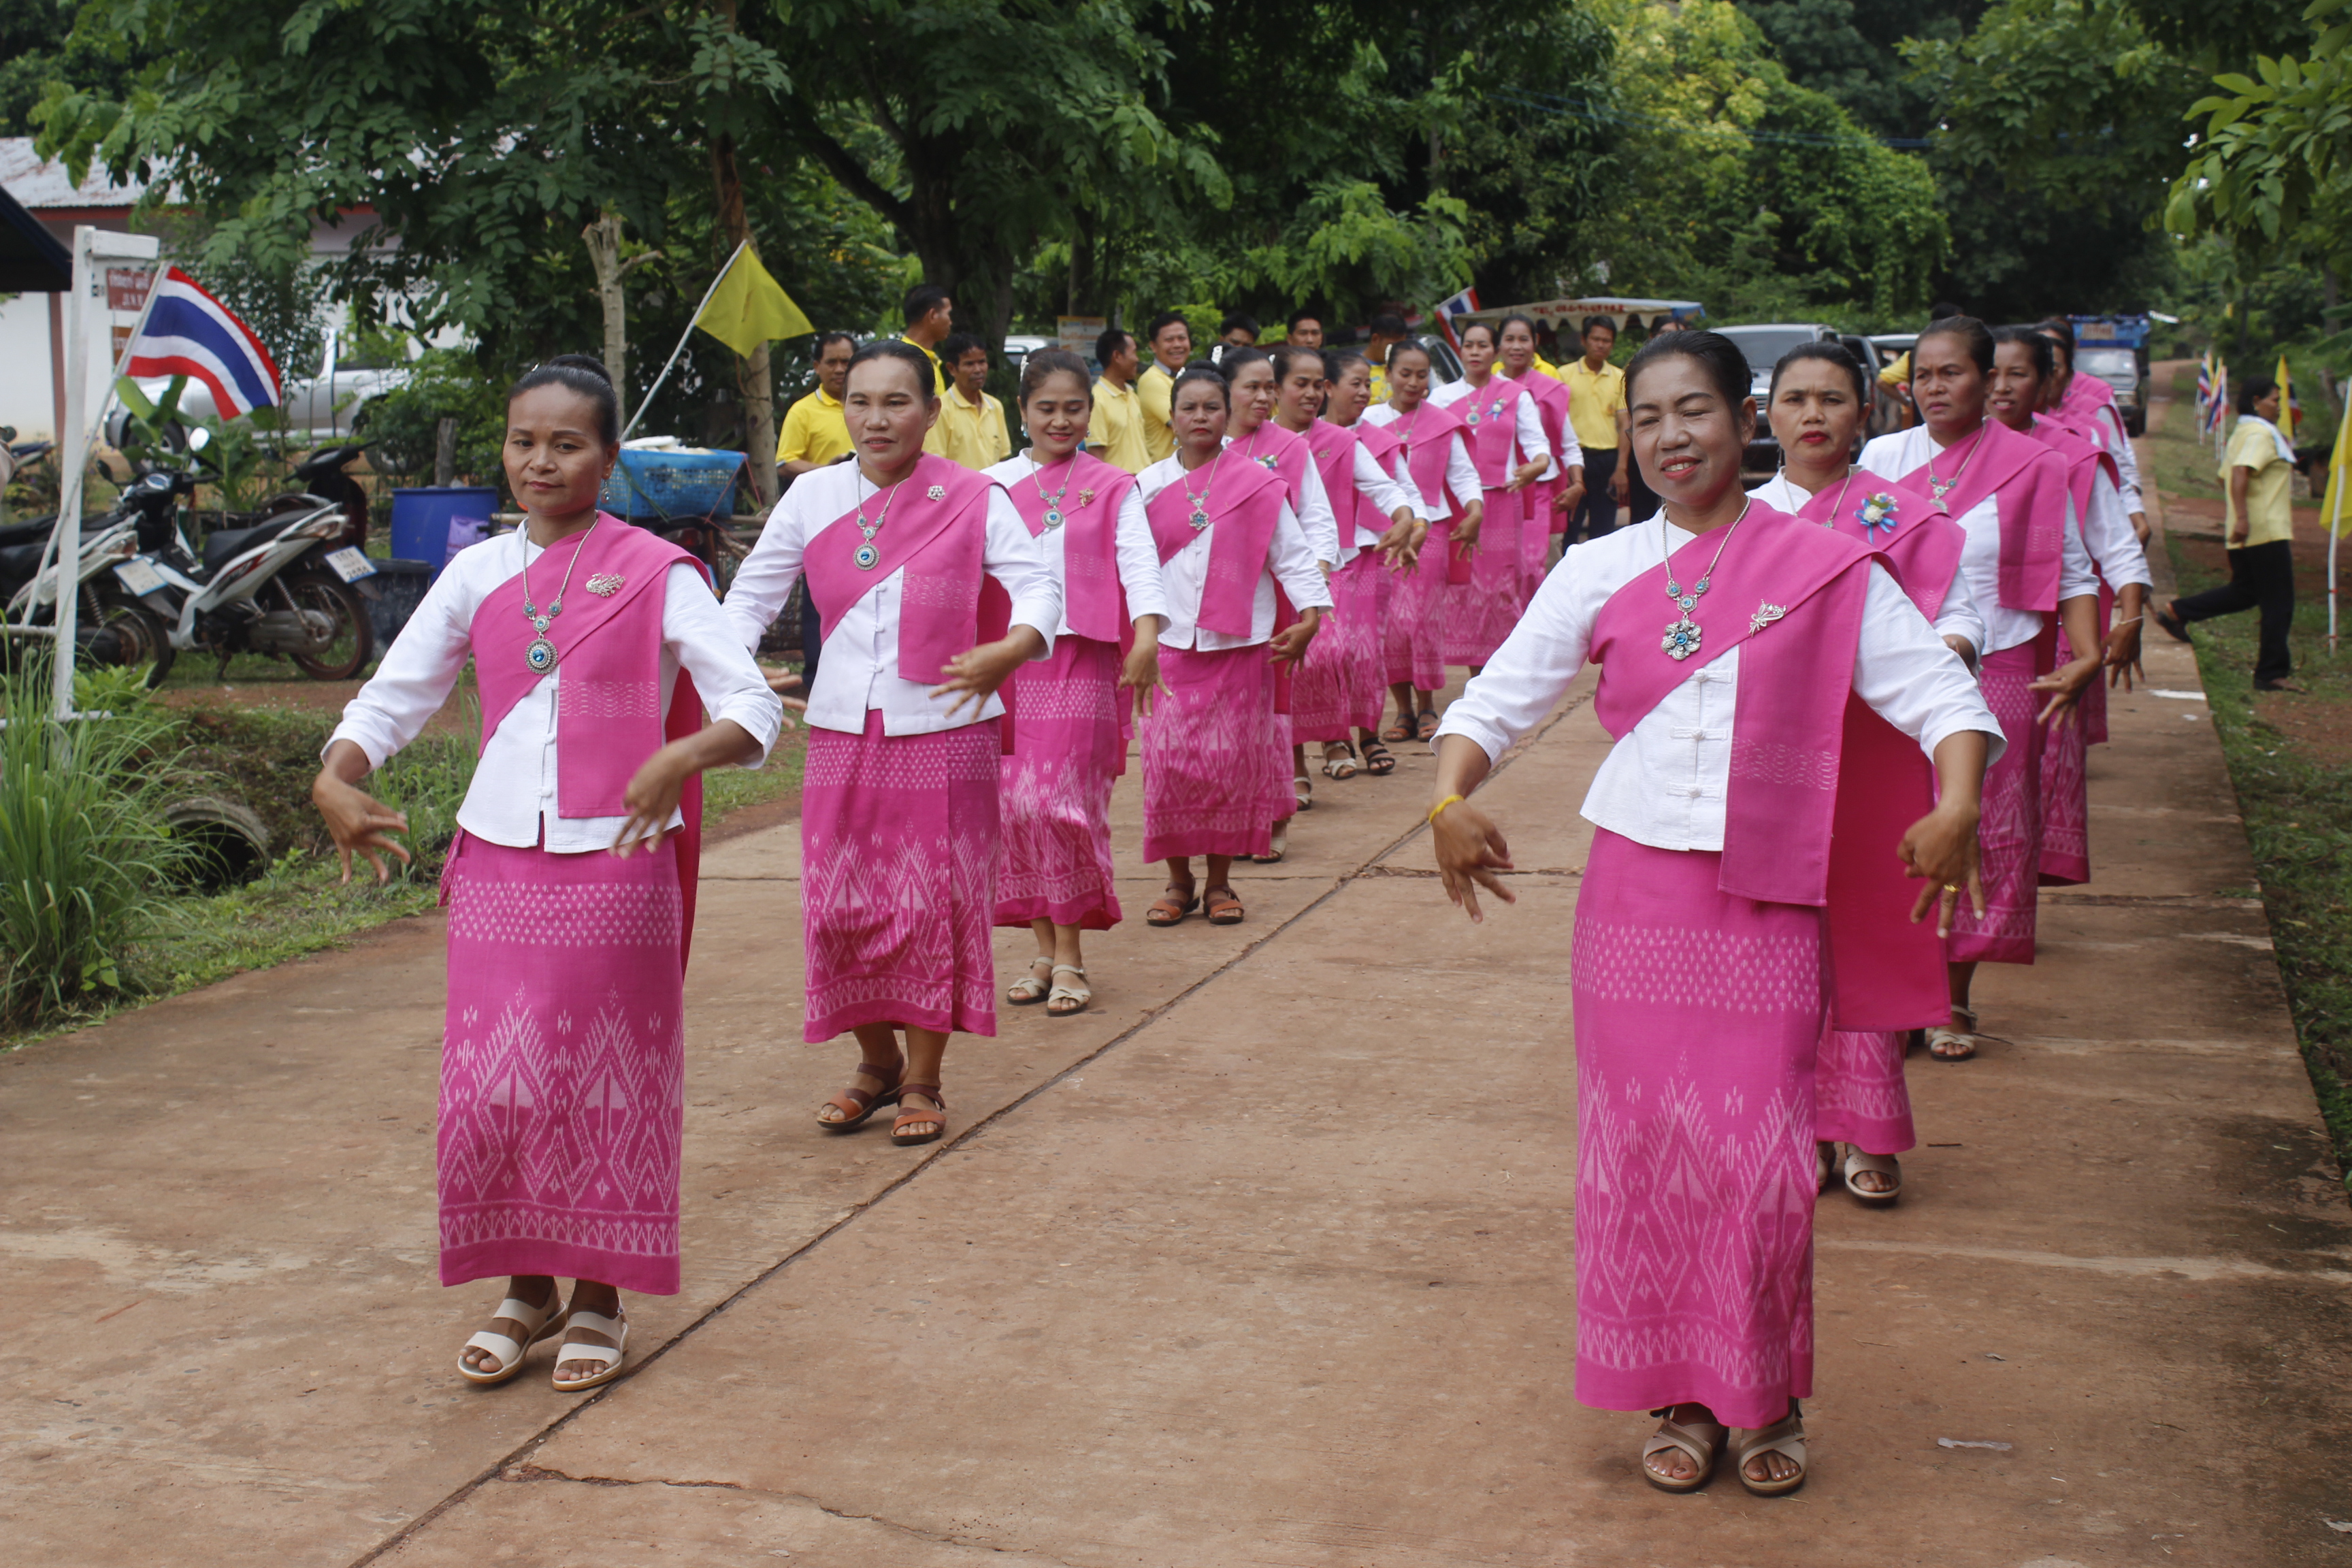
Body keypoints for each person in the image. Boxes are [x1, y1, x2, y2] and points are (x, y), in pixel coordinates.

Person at [1428, 329, 1998, 1498]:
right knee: (1645, 1155)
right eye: (1645, 418)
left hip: (1768, 901)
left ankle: (1764, 1390)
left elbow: (1941, 694)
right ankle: (1679, 1393)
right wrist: (1447, 795)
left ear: (1745, 422)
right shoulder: (1598, 567)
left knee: (1762, 1162)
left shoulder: (1825, 566)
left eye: (1693, 410)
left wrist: (1956, 804)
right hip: (1634, 899)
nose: (1669, 436)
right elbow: (1499, 697)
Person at [315, 355, 784, 1394]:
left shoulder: (662, 573)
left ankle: (601, 1296)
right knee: (498, 1087)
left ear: (608, 461)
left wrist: (682, 753)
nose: (541, 461)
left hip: (616, 862)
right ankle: (526, 1288)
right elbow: (393, 696)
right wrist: (335, 776)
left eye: (567, 444)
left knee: (603, 1082)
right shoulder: (475, 573)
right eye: (525, 440)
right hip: (497, 859)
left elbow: (752, 707)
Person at [723, 340, 1062, 1150]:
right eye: (861, 402)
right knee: (839, 909)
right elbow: (749, 599)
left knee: (931, 909)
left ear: (931, 412)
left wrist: (1014, 646)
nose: (876, 420)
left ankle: (923, 1079)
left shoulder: (973, 496)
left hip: (946, 730)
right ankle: (876, 1062)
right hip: (841, 731)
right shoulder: (812, 498)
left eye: (896, 402)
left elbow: (1038, 584)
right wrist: (726, 680)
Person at [1752, 341, 1984, 1205]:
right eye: (1796, 398)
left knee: (1866, 937)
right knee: (1782, 945)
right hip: (1772, 760)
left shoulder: (1907, 519)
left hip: (1876, 755)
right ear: (1767, 416)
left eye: (1833, 398)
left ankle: (1868, 1126)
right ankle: (1803, 1125)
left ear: (1865, 414)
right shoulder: (1741, 522)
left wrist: (1942, 646)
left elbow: (1961, 615)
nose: (1814, 414)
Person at [1860, 316, 2103, 1063]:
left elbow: (2072, 571)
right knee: (1895, 821)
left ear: (1987, 377)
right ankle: (1898, 992)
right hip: (1894, 671)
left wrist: (2089, 653)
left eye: (1951, 373)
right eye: (1922, 375)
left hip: (2000, 665)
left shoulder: (2034, 465)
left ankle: (1952, 995)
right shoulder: (1881, 459)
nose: (1934, 388)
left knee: (1985, 829)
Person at [984, 350, 1171, 1016]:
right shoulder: (991, 485)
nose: (1060, 421)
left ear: (1090, 412)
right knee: (1015, 809)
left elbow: (1139, 562)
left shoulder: (1115, 485)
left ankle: (1070, 955)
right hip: (1008, 664)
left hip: (1083, 661)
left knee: (1064, 805)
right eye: (1046, 408)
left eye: (1073, 408)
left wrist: (1146, 635)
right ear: (1022, 411)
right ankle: (1043, 951)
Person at [1135, 365, 1329, 926]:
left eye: (1211, 407)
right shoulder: (1145, 487)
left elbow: (1292, 553)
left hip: (1241, 646)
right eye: (1189, 407)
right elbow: (1131, 565)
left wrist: (1312, 616)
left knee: (1228, 768)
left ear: (1227, 415)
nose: (1200, 417)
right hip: (1169, 645)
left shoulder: (1257, 483)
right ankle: (1178, 881)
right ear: (1171, 416)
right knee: (1168, 768)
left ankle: (1219, 883)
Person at [1987, 327, 2152, 891]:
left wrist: (2129, 618)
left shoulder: (2070, 455)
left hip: (2054, 637)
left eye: (2018, 374)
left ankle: (2021, 874)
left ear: (2046, 384)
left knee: (2041, 762)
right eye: (1993, 373)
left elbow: (2116, 545)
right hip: (1967, 644)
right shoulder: (1928, 457)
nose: (2002, 387)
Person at [1224, 345, 1342, 850]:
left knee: (1270, 706)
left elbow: (1317, 518)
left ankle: (1274, 813)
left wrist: (1313, 582)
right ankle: (1228, 818)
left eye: (1269, 387)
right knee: (1225, 714)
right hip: (1214, 598)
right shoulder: (1203, 448)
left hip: (1277, 594)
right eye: (1251, 387)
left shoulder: (1290, 447)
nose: (1263, 397)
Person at [1289, 348, 1424, 782]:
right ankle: (1306, 754)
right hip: (1276, 573)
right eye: (1301, 384)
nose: (1311, 393)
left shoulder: (1343, 442)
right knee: (1299, 660)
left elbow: (1390, 489)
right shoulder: (1257, 446)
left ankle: (1359, 735)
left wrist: (1407, 520)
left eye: (1316, 385)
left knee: (1352, 652)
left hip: (1342, 562)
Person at [1362, 340, 1483, 742]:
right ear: (1388, 374)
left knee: (1421, 620)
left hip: (1430, 530)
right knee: (1389, 623)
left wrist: (1475, 510)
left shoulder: (1442, 422)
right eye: (1405, 374)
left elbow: (1462, 474)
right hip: (1381, 533)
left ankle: (1428, 705)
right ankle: (1402, 710)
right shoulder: (1368, 421)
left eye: (1421, 375)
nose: (1414, 382)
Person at [2155, 375, 2300, 691]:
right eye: (2275, 400)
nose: (2279, 407)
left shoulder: (2243, 432)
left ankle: (2178, 611)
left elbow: (2225, 477)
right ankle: (2270, 672)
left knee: (2246, 592)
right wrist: (2245, 516)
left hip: (2249, 529)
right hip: (2265, 530)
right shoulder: (2259, 434)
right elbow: (2239, 472)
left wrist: (2240, 514)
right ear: (2257, 402)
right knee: (2279, 602)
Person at [1431, 320, 1552, 670]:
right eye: (1469, 345)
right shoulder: (1441, 398)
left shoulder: (1516, 395)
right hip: (1456, 505)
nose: (1475, 352)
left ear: (1495, 351)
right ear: (1460, 350)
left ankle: (1502, 668)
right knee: (1462, 586)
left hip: (1501, 502)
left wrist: (1538, 465)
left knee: (1499, 587)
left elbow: (1537, 444)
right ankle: (1475, 671)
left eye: (1482, 345)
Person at [2035, 317, 2150, 542]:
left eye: (2054, 366)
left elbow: (2119, 465)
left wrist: (2132, 509)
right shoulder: (2001, 417)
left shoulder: (2094, 413)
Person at [1496, 312, 1585, 585]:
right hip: (1495, 490)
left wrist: (1577, 484)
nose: (1517, 346)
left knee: (1540, 564)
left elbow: (1569, 444)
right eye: (1509, 339)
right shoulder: (1484, 392)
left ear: (1535, 342)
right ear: (1498, 344)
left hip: (1542, 490)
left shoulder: (1551, 390)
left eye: (1524, 339)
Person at [1561, 316, 1627, 543]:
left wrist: (1621, 468)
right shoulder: (1563, 375)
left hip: (1607, 460)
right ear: (1584, 340)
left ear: (1612, 344)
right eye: (1595, 339)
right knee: (1570, 526)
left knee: (1604, 531)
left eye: (1606, 341)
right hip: (1574, 459)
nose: (1600, 345)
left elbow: (1625, 424)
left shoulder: (1619, 377)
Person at [779, 331, 856, 480]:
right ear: (817, 366)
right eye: (831, 362)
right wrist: (830, 471)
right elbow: (784, 464)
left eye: (846, 362)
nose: (839, 369)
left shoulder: (872, 406)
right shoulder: (802, 411)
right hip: (825, 492)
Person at [931, 332, 1012, 472]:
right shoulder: (940, 410)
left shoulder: (995, 406)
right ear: (952, 369)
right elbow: (936, 466)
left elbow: (1002, 460)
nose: (978, 370)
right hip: (958, 486)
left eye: (982, 362)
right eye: (969, 364)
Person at [1087, 325, 1153, 474]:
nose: (1137, 359)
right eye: (1134, 352)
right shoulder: (1097, 400)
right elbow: (1097, 458)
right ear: (1117, 356)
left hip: (1144, 482)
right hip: (1120, 484)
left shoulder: (1132, 394)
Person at [1137, 310, 1192, 465]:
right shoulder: (1152, 380)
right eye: (1169, 340)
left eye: (1182, 338)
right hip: (1165, 470)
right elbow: (1184, 424)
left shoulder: (1184, 377)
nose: (1177, 345)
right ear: (1153, 346)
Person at [900, 283, 953, 393]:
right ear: (933, 315)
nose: (951, 322)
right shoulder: (906, 361)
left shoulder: (929, 360)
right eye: (948, 314)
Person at [1364, 312, 1410, 403]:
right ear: (1375, 339)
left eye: (1401, 346)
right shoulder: (1354, 371)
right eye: (1392, 346)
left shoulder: (1405, 368)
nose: (1397, 351)